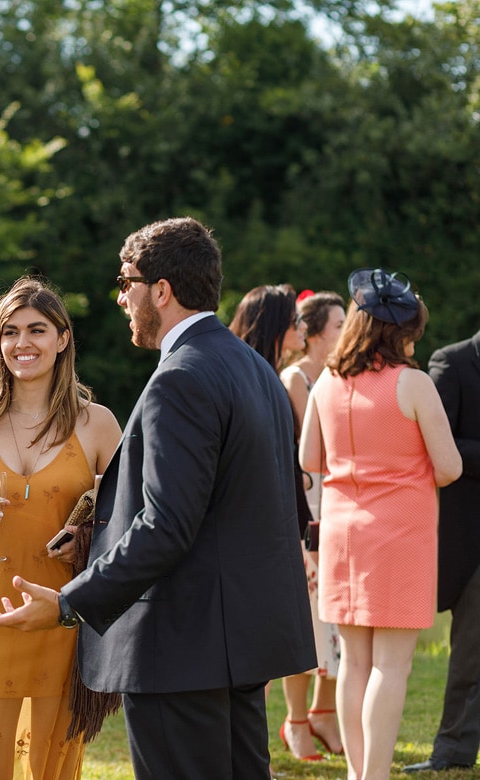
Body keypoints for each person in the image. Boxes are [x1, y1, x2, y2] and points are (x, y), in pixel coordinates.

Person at [0, 217, 316, 780]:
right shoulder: (255, 368)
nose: (120, 296)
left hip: (181, 646)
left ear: (160, 289)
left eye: (125, 281)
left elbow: (166, 526)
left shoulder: (180, 377)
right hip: (240, 641)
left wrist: (68, 602)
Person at [0, 276, 122, 779]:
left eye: (36, 330)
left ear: (62, 339)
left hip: (61, 616)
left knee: (52, 767)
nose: (21, 344)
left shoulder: (96, 423)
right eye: (9, 332)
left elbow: (125, 524)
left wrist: (86, 533)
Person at [300, 268, 462, 780]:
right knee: (392, 667)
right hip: (398, 533)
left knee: (353, 663)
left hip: (343, 531)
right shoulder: (412, 383)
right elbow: (450, 466)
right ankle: (375, 776)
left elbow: (309, 457)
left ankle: (355, 773)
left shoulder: (326, 379)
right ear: (400, 330)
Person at [229, 283, 326, 762]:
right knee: (256, 648)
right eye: (295, 321)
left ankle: (254, 750)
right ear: (275, 325)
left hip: (281, 525)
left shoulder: (263, 374)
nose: (302, 329)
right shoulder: (257, 377)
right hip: (257, 534)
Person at [403, 325, 480, 774]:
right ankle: (452, 751)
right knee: (471, 652)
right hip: (468, 538)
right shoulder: (452, 362)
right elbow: (435, 446)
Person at [280, 289, 347, 758]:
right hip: (309, 505)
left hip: (338, 502)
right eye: (340, 325)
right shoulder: (298, 377)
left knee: (334, 619)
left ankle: (324, 713)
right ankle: (296, 720)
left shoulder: (340, 374)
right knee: (305, 616)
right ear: (316, 332)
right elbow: (316, 448)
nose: (347, 332)